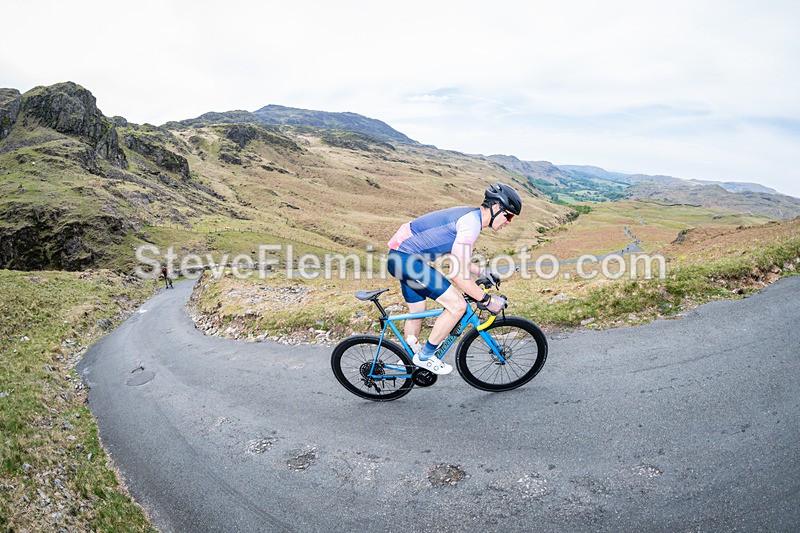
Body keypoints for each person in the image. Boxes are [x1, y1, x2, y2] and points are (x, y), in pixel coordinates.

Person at [386, 182, 522, 375]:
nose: (508, 222)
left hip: (400, 258)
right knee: (457, 306)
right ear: (496, 208)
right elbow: (457, 275)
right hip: (407, 261)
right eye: (508, 215)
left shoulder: (470, 216)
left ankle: (410, 366)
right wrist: (487, 300)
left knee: (417, 312)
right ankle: (425, 357)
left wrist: (480, 272)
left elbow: (458, 256)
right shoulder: (471, 225)